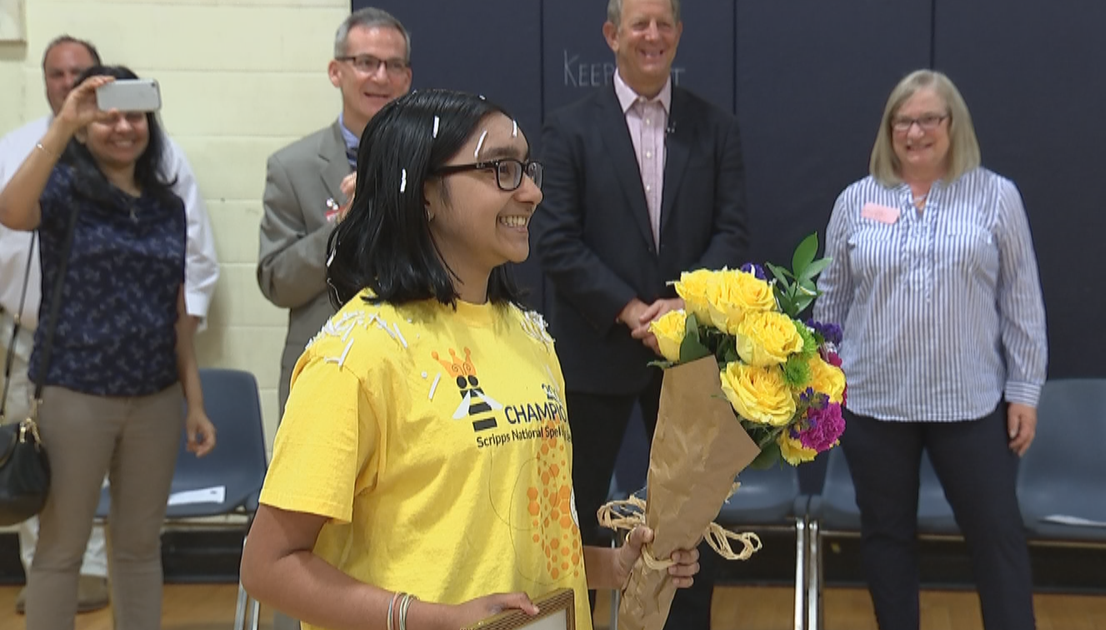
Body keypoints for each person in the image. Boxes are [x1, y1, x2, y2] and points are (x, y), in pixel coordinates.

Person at [240, 89, 700, 630]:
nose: (531, 192)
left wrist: (613, 565)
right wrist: (434, 619)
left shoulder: (529, 336)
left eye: (527, 169)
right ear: (424, 191)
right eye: (501, 169)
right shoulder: (357, 355)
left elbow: (521, 534)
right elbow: (268, 565)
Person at [535, 0, 749, 626]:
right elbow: (555, 240)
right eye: (638, 23)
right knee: (572, 514)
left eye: (663, 24)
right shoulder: (568, 128)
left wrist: (684, 307)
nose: (651, 35)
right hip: (594, 351)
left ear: (678, 34)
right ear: (612, 35)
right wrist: (630, 310)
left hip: (689, 357)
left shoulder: (717, 128)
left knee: (691, 522)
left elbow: (733, 233)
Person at [813, 69, 1047, 630]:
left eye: (928, 120)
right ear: (888, 129)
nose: (915, 132)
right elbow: (830, 302)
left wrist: (1024, 390)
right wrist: (821, 382)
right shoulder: (855, 201)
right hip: (875, 404)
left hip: (969, 402)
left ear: (953, 124)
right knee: (886, 538)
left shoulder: (996, 197)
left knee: (997, 536)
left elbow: (1021, 300)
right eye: (903, 121)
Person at [0, 34, 219, 615]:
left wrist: (194, 402)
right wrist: (65, 123)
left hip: (155, 398)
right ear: (85, 126)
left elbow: (176, 311)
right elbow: (11, 210)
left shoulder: (167, 205)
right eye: (107, 117)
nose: (123, 128)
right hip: (75, 393)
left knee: (140, 548)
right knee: (61, 548)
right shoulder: (64, 190)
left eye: (134, 116)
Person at [257, 6, 412, 415]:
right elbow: (277, 282)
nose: (381, 76)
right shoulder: (291, 167)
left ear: (407, 78)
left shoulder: (436, 166)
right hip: (326, 368)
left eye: (394, 65)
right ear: (335, 71)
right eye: (366, 62)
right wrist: (346, 223)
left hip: (417, 369)